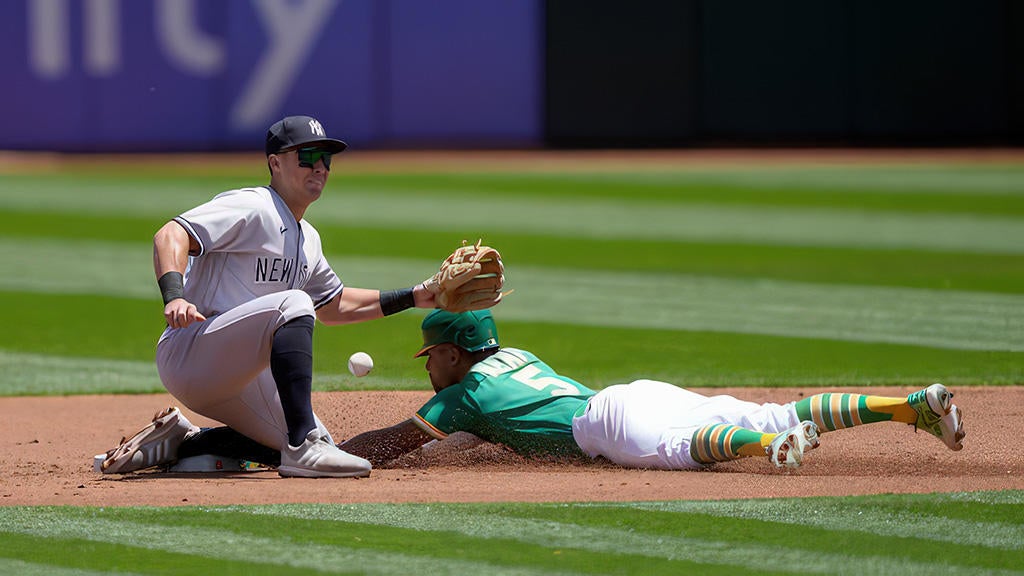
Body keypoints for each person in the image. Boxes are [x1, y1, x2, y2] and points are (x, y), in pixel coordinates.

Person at [101, 115, 477, 478]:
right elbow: (170, 234)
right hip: (192, 353)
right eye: (307, 156)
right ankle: (301, 448)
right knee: (294, 303)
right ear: (275, 163)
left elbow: (333, 305)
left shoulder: (308, 238)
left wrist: (416, 296)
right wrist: (174, 296)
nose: (320, 167)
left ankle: (184, 442)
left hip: (242, 374)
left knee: (327, 444)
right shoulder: (253, 205)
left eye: (325, 158)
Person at [338, 310, 966, 470]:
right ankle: (907, 405)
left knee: (683, 449)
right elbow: (495, 431)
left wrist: (332, 448)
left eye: (431, 358)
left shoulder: (460, 396)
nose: (427, 370)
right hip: (632, 392)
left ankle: (766, 450)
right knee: (775, 411)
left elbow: (388, 445)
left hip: (605, 427)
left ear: (450, 353)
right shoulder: (519, 357)